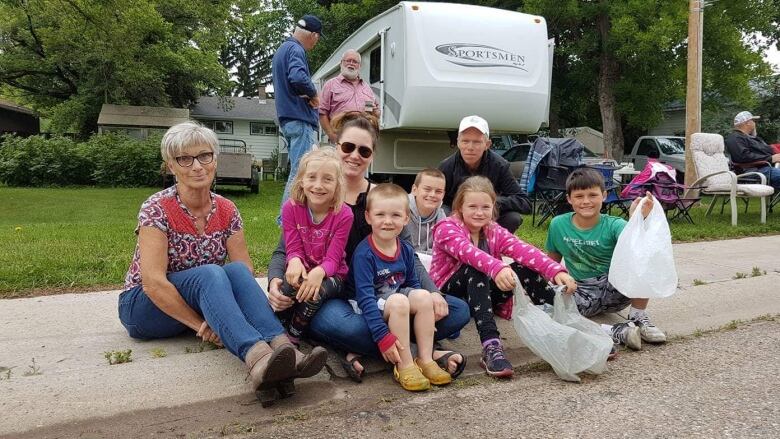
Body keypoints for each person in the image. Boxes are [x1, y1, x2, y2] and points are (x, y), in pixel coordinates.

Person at [117, 121, 327, 398]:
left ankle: (284, 349)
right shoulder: (157, 208)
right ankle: (257, 359)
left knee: (237, 271)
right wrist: (202, 325)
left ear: (215, 160)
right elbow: (153, 283)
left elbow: (244, 271)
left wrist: (222, 313)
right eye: (185, 159)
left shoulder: (227, 209)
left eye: (205, 156)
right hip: (145, 307)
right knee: (212, 273)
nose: (197, 166)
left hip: (201, 300)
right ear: (171, 166)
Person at [267, 113, 470, 383]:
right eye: (348, 147)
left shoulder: (383, 199)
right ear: (336, 146)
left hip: (387, 291)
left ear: (372, 155)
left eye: (363, 150)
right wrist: (274, 281)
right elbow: (285, 250)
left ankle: (362, 348)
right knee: (342, 325)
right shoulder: (316, 195)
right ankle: (423, 352)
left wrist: (431, 292)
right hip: (336, 295)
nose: (354, 155)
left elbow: (408, 255)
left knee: (456, 310)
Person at [429, 176, 575, 378]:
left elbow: (524, 250)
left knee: (523, 267)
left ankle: (566, 327)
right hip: (449, 297)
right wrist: (497, 268)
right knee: (477, 268)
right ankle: (491, 346)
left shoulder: (493, 230)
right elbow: (470, 254)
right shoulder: (446, 228)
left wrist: (555, 270)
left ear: (493, 208)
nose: (479, 213)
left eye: (485, 207)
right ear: (460, 207)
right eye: (472, 206)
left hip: (481, 295)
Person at [517, 168, 666, 352]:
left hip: (615, 287)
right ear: (569, 199)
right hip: (581, 290)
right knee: (549, 313)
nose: (586, 201)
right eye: (579, 196)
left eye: (592, 195)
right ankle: (615, 331)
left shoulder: (614, 224)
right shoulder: (558, 224)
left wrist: (638, 219)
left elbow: (638, 248)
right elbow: (552, 263)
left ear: (604, 196)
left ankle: (637, 317)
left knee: (642, 261)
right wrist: (548, 294)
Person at [352, 183, 452, 391]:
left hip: (397, 296)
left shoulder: (405, 249)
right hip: (370, 304)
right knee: (398, 302)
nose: (388, 221)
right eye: (380, 215)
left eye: (396, 215)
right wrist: (382, 336)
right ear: (368, 217)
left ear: (406, 219)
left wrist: (422, 312)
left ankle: (425, 359)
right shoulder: (364, 253)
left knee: (423, 296)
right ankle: (404, 364)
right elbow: (365, 298)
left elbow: (411, 284)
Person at [280, 147, 353, 345]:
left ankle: (293, 336)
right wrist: (294, 260)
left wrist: (319, 272)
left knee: (314, 292)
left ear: (337, 184)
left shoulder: (344, 214)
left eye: (327, 179)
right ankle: (279, 326)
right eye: (312, 177)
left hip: (333, 275)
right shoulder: (291, 208)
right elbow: (293, 246)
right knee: (288, 285)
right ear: (301, 180)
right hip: (307, 268)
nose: (318, 185)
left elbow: (334, 259)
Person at [439, 115, 531, 233]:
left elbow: (525, 202)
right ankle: (452, 243)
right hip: (458, 216)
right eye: (465, 141)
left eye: (477, 142)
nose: (470, 147)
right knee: (442, 213)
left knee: (512, 218)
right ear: (458, 142)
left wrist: (490, 202)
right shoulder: (447, 166)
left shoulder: (500, 165)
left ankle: (494, 244)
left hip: (487, 217)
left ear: (487, 144)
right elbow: (439, 200)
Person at [272, 14, 323, 215]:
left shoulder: (282, 50)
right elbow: (298, 76)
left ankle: (292, 217)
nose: (316, 42)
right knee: (300, 173)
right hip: (300, 119)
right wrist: (313, 94)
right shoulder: (296, 49)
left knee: (298, 170)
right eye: (317, 38)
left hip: (288, 118)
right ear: (313, 35)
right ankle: (286, 220)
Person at [319, 49, 380, 144]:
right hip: (340, 137)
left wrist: (376, 113)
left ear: (359, 66)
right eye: (348, 60)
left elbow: (372, 112)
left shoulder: (366, 87)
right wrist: (331, 135)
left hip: (363, 137)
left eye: (355, 62)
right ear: (341, 63)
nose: (351, 64)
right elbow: (322, 113)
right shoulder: (330, 84)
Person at [724, 110, 780, 189]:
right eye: (753, 121)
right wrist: (771, 158)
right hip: (751, 171)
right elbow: (742, 156)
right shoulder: (735, 138)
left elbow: (766, 150)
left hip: (764, 168)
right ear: (748, 123)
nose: (755, 123)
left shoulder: (751, 138)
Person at [405, 168, 447, 255]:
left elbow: (442, 251)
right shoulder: (401, 210)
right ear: (414, 190)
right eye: (427, 189)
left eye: (438, 191)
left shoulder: (442, 217)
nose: (432, 195)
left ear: (443, 194)